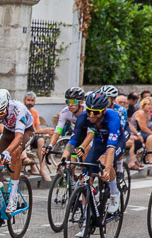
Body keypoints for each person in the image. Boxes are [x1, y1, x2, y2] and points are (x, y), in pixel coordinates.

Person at [60, 90, 123, 220]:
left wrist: (106, 170)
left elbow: (110, 149)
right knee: (85, 180)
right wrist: (63, 159)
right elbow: (72, 141)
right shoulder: (84, 117)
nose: (91, 115)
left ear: (104, 110)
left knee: (105, 160)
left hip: (116, 143)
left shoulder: (113, 118)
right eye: (89, 111)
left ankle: (114, 194)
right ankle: (85, 217)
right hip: (99, 142)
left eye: (96, 112)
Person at [0, 89, 34, 214]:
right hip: (8, 132)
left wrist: (7, 151)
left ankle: (13, 196)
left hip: (26, 131)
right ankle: (2, 195)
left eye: (1, 112)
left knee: (15, 152)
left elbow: (18, 137)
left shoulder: (19, 109)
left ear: (7, 105)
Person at [47, 87, 86, 154]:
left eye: (73, 102)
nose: (70, 105)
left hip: (91, 134)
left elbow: (91, 133)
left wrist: (83, 147)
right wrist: (50, 146)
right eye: (68, 102)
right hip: (78, 134)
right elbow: (57, 132)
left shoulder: (88, 111)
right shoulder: (65, 112)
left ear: (81, 102)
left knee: (86, 155)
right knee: (71, 160)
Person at [22, 91, 52, 176]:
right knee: (26, 136)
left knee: (41, 140)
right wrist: (43, 131)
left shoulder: (34, 112)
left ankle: (42, 169)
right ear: (24, 100)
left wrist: (46, 131)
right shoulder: (21, 111)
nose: (30, 102)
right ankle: (29, 162)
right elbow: (24, 130)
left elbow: (38, 128)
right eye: (28, 100)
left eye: (32, 100)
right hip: (23, 136)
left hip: (32, 136)